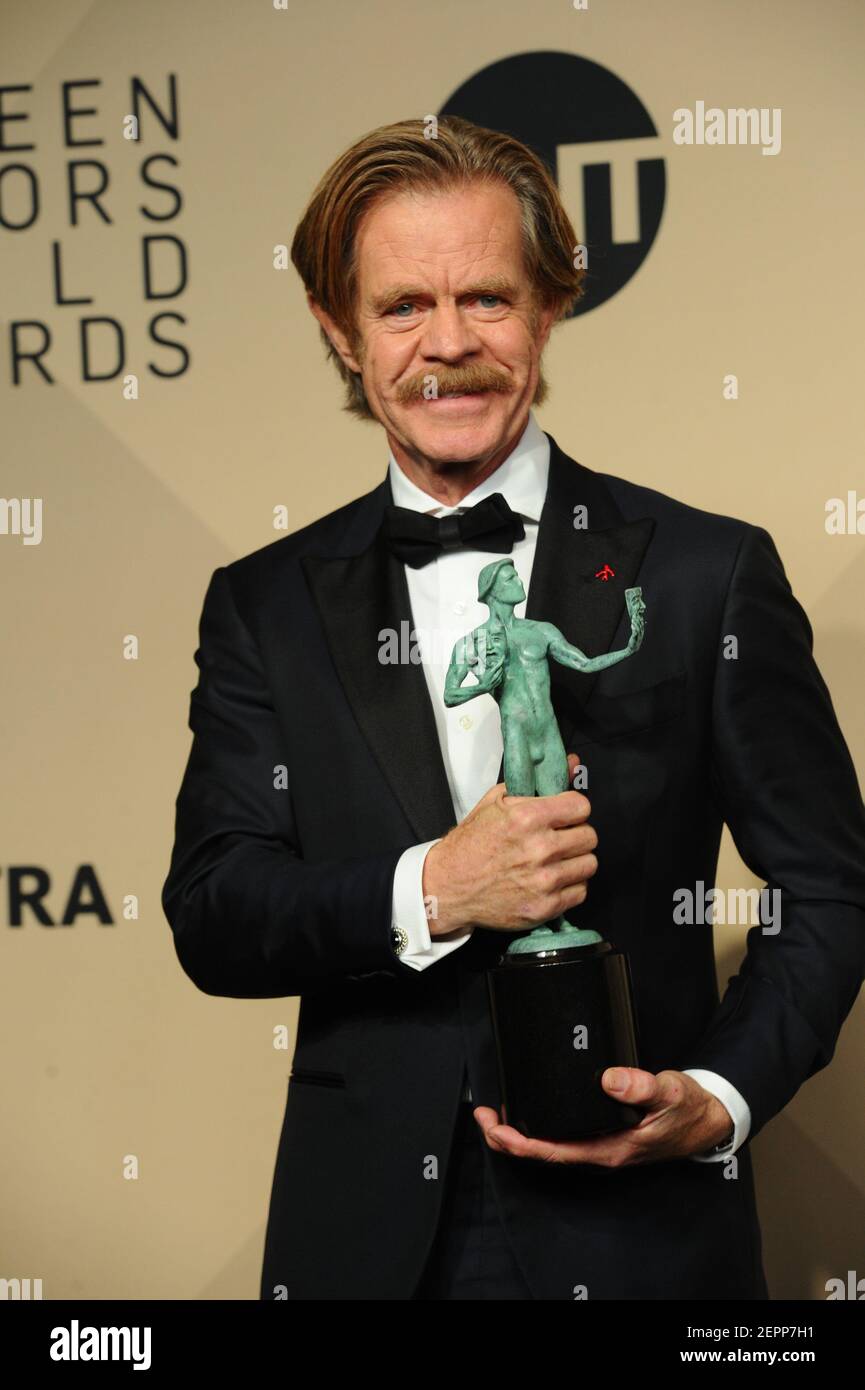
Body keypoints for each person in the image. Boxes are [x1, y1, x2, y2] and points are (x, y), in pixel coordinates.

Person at [161, 116, 865, 1300]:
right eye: (400, 309)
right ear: (337, 330)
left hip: (644, 1239)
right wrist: (435, 885)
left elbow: (831, 887)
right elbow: (215, 907)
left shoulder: (704, 573)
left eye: (487, 298)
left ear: (549, 309)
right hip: (364, 1248)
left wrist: (718, 1099)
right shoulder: (262, 606)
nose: (448, 345)